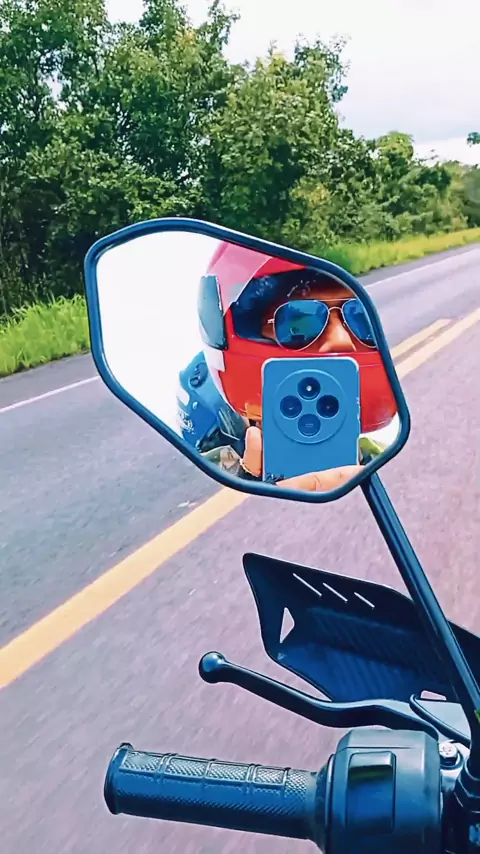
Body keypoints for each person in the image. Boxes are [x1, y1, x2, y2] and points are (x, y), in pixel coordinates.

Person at [195, 241, 398, 491]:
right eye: (299, 324)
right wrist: (248, 484)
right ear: (253, 331)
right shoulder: (211, 469)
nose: (340, 341)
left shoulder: (378, 456)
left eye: (359, 318)